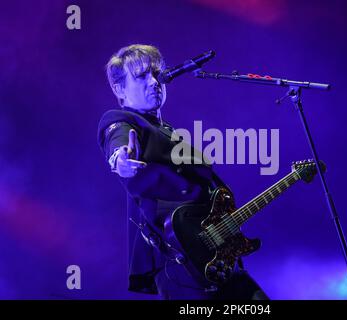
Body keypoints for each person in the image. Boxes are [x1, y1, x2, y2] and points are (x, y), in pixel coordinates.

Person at [97, 44, 268, 300]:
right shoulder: (120, 119)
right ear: (119, 88)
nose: (154, 82)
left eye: (157, 74)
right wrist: (120, 159)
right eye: (142, 76)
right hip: (179, 260)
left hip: (216, 255)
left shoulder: (168, 130)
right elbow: (117, 138)